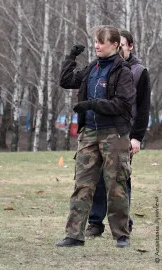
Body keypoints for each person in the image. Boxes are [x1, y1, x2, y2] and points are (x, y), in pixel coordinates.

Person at [56, 25, 135, 248]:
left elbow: (122, 104)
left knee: (115, 185)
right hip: (88, 134)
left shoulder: (123, 71)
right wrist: (71, 57)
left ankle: (121, 234)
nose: (97, 45)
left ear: (115, 45)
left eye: (102, 41)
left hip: (114, 135)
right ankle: (74, 235)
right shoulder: (92, 68)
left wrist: (93, 104)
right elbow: (66, 80)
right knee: (82, 185)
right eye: (96, 41)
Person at [85, 30, 151, 237]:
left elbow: (143, 108)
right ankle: (95, 223)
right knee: (97, 179)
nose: (118, 48)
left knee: (120, 180)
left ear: (130, 46)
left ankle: (124, 224)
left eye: (122, 45)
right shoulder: (101, 68)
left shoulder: (139, 72)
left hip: (124, 133)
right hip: (101, 131)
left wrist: (136, 137)